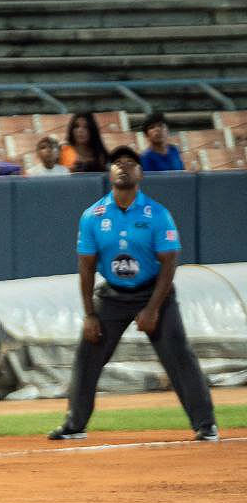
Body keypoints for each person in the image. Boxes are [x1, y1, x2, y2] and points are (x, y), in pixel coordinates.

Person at [49, 146, 218, 443]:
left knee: (178, 353)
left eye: (130, 163)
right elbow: (86, 267)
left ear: (140, 173)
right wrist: (89, 313)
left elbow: (169, 263)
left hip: (153, 291)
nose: (123, 167)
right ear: (109, 172)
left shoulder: (157, 214)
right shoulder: (92, 216)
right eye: (117, 163)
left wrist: (153, 308)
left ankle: (206, 425)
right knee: (87, 354)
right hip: (112, 295)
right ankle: (75, 424)